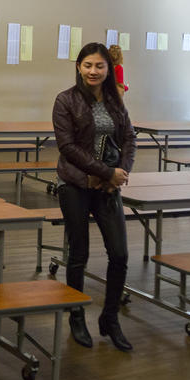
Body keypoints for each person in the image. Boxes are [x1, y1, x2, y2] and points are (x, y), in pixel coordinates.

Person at [52, 41, 136, 351]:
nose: (93, 70)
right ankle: (76, 316)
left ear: (108, 70)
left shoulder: (115, 101)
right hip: (75, 185)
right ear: (78, 67)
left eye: (99, 66)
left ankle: (110, 318)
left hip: (108, 186)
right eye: (88, 65)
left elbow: (129, 138)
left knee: (120, 254)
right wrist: (106, 172)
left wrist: (121, 173)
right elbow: (68, 148)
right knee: (79, 254)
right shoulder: (66, 100)